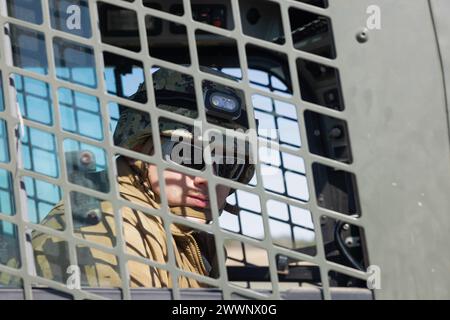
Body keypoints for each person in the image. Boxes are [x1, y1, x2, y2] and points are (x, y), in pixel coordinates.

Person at [0, 67, 255, 288]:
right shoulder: (107, 234)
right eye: (188, 156)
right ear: (138, 150)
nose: (209, 179)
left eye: (229, 165)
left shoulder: (187, 234)